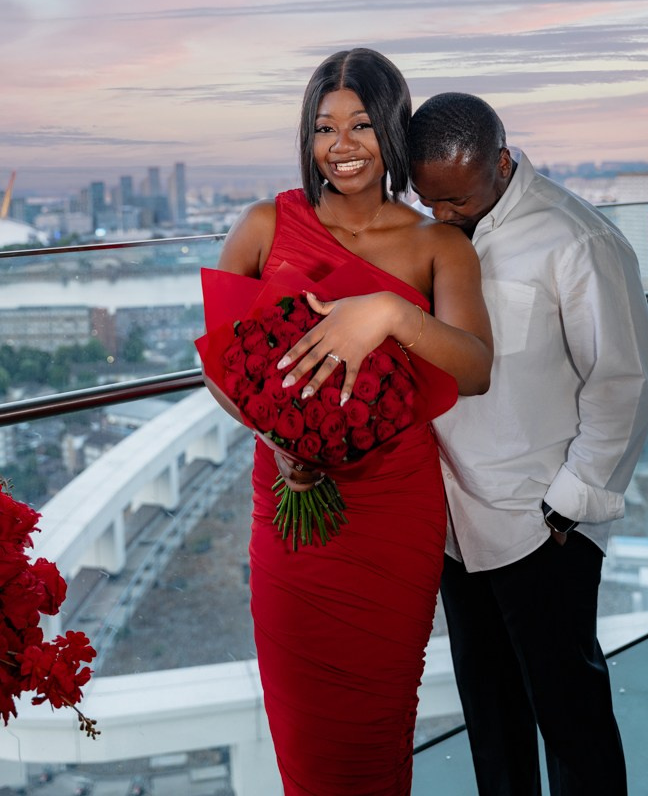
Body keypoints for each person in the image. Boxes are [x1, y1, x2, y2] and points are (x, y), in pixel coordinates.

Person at [209, 51, 493, 795]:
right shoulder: (265, 224)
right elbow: (217, 361)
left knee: (376, 723)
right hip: (287, 500)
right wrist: (277, 440)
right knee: (305, 729)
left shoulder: (439, 245)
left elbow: (473, 366)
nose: (342, 144)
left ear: (392, 130)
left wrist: (391, 313)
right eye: (324, 127)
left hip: (393, 507)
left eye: (362, 124)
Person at [408, 91, 648, 796]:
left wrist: (565, 510)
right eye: (430, 200)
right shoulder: (427, 233)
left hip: (539, 525)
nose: (444, 216)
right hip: (456, 527)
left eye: (456, 198)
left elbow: (624, 381)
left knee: (570, 721)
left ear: (500, 161)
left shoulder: (576, 239)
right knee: (492, 722)